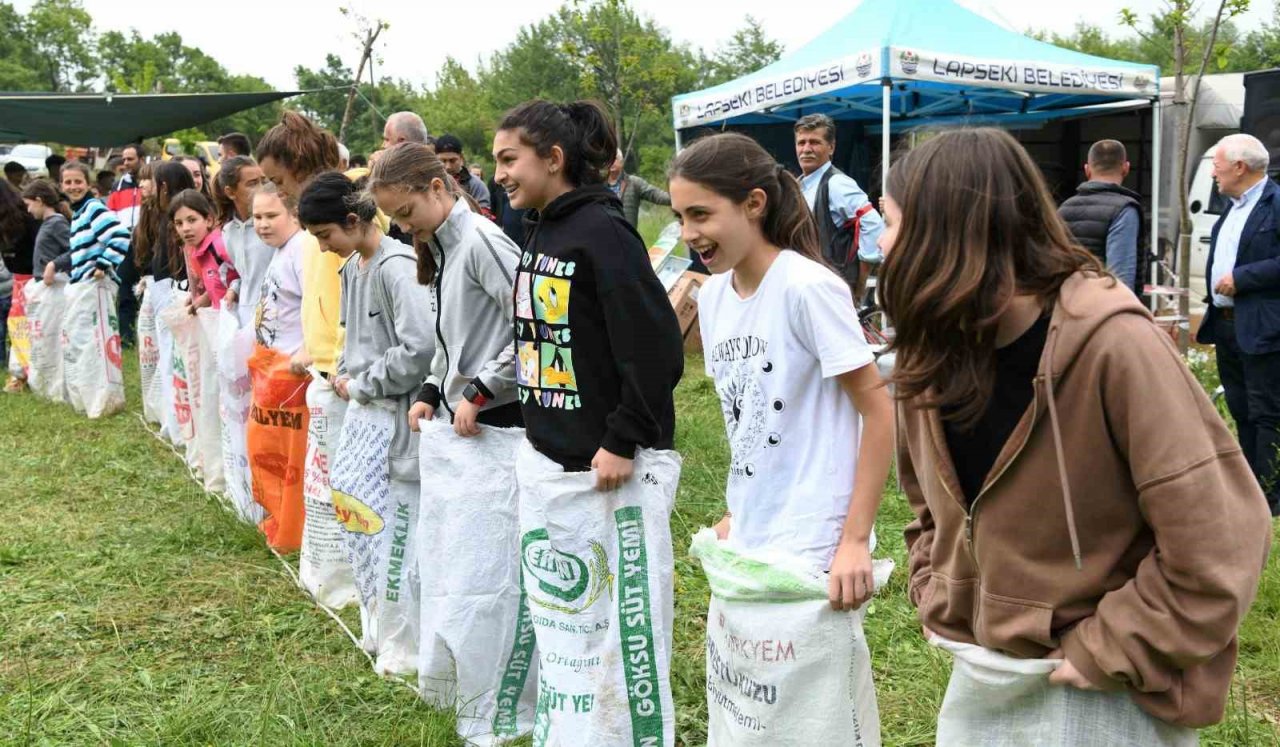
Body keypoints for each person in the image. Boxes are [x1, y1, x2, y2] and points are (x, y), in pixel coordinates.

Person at [882, 128, 1270, 739]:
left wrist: (1111, 646)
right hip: (984, 678)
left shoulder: (1115, 343)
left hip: (1111, 694)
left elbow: (1220, 538)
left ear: (947, 232)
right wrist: (936, 587)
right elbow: (925, 504)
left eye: (892, 221)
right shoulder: (932, 353)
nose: (881, 244)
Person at [671, 129, 892, 591]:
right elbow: (745, 409)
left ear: (753, 204)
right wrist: (738, 512)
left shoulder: (807, 288)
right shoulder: (711, 298)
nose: (689, 235)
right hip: (752, 531)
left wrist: (852, 540)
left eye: (701, 215)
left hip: (815, 541)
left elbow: (878, 410)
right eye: (680, 218)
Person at [494, 99, 684, 483]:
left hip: (603, 464)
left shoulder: (603, 232)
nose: (499, 174)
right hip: (553, 457)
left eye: (509, 159)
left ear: (553, 159)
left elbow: (654, 346)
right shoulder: (540, 228)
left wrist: (621, 439)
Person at [369, 142, 524, 432]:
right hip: (467, 412)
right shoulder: (439, 245)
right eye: (395, 218)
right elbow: (452, 337)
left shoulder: (481, 242)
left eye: (406, 211)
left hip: (500, 414)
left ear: (436, 188)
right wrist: (432, 388)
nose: (402, 227)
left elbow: (532, 330)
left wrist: (483, 388)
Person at [1196, 133, 1280, 515]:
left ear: (1240, 168)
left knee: (1267, 413)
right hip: (1227, 324)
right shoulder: (1232, 207)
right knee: (1240, 407)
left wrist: (1244, 278)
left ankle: (1270, 498)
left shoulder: (1275, 204)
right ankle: (1249, 493)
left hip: (1263, 327)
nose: (1213, 171)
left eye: (1217, 163)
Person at [255, 111, 345, 379]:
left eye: (278, 180)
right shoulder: (312, 222)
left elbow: (349, 295)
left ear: (298, 165)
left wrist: (335, 357)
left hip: (339, 367)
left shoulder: (339, 212)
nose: (279, 191)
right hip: (324, 364)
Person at [793, 113, 883, 294]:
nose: (806, 149)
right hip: (805, 286)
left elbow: (874, 225)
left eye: (814, 142)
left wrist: (861, 278)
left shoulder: (837, 183)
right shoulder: (798, 185)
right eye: (801, 142)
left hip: (831, 289)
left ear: (831, 147)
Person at [1058, 139, 1143, 294]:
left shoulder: (1064, 209)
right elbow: (1121, 277)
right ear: (1126, 168)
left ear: (1087, 169)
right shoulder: (1125, 210)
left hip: (1067, 304)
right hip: (1103, 308)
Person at [43, 163, 131, 285]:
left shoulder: (93, 208)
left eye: (78, 182)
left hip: (96, 284)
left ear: (88, 184)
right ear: (61, 186)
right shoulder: (78, 212)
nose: (73, 187)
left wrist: (103, 265)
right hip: (84, 285)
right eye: (68, 182)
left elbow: (121, 236)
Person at [213, 156, 270, 326]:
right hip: (246, 317)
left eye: (263, 181)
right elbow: (246, 274)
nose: (261, 188)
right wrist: (235, 288)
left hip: (276, 316)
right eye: (252, 183)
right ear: (230, 192)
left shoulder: (273, 226)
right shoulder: (228, 232)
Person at [252, 181, 306, 356]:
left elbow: (315, 308)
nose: (263, 224)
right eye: (257, 217)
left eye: (271, 216)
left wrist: (306, 352)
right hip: (276, 364)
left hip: (296, 366)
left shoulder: (300, 247)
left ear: (294, 215)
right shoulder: (282, 248)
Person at [171, 188, 237, 313]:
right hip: (221, 319)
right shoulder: (192, 250)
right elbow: (219, 283)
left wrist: (234, 290)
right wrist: (203, 298)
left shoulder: (220, 246)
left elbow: (244, 277)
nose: (185, 228)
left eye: (192, 220)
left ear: (209, 220)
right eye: (179, 223)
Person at [133, 162, 196, 288]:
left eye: (155, 184)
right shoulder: (164, 218)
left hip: (179, 289)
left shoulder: (172, 219)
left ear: (164, 187)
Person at [607, 148, 670, 228]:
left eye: (615, 158)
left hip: (628, 235)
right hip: (605, 234)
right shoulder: (598, 185)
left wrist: (679, 197)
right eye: (608, 159)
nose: (612, 162)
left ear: (621, 162)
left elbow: (656, 195)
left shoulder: (634, 182)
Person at [23, 179, 71, 277]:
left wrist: (54, 265)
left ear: (39, 201)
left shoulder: (56, 223)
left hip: (53, 285)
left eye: (28, 205)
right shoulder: (48, 223)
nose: (28, 210)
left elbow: (75, 250)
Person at [433, 134, 490, 211]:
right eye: (443, 161)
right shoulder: (429, 184)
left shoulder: (476, 185)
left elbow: (484, 215)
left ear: (461, 157)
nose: (448, 166)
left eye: (452, 160)